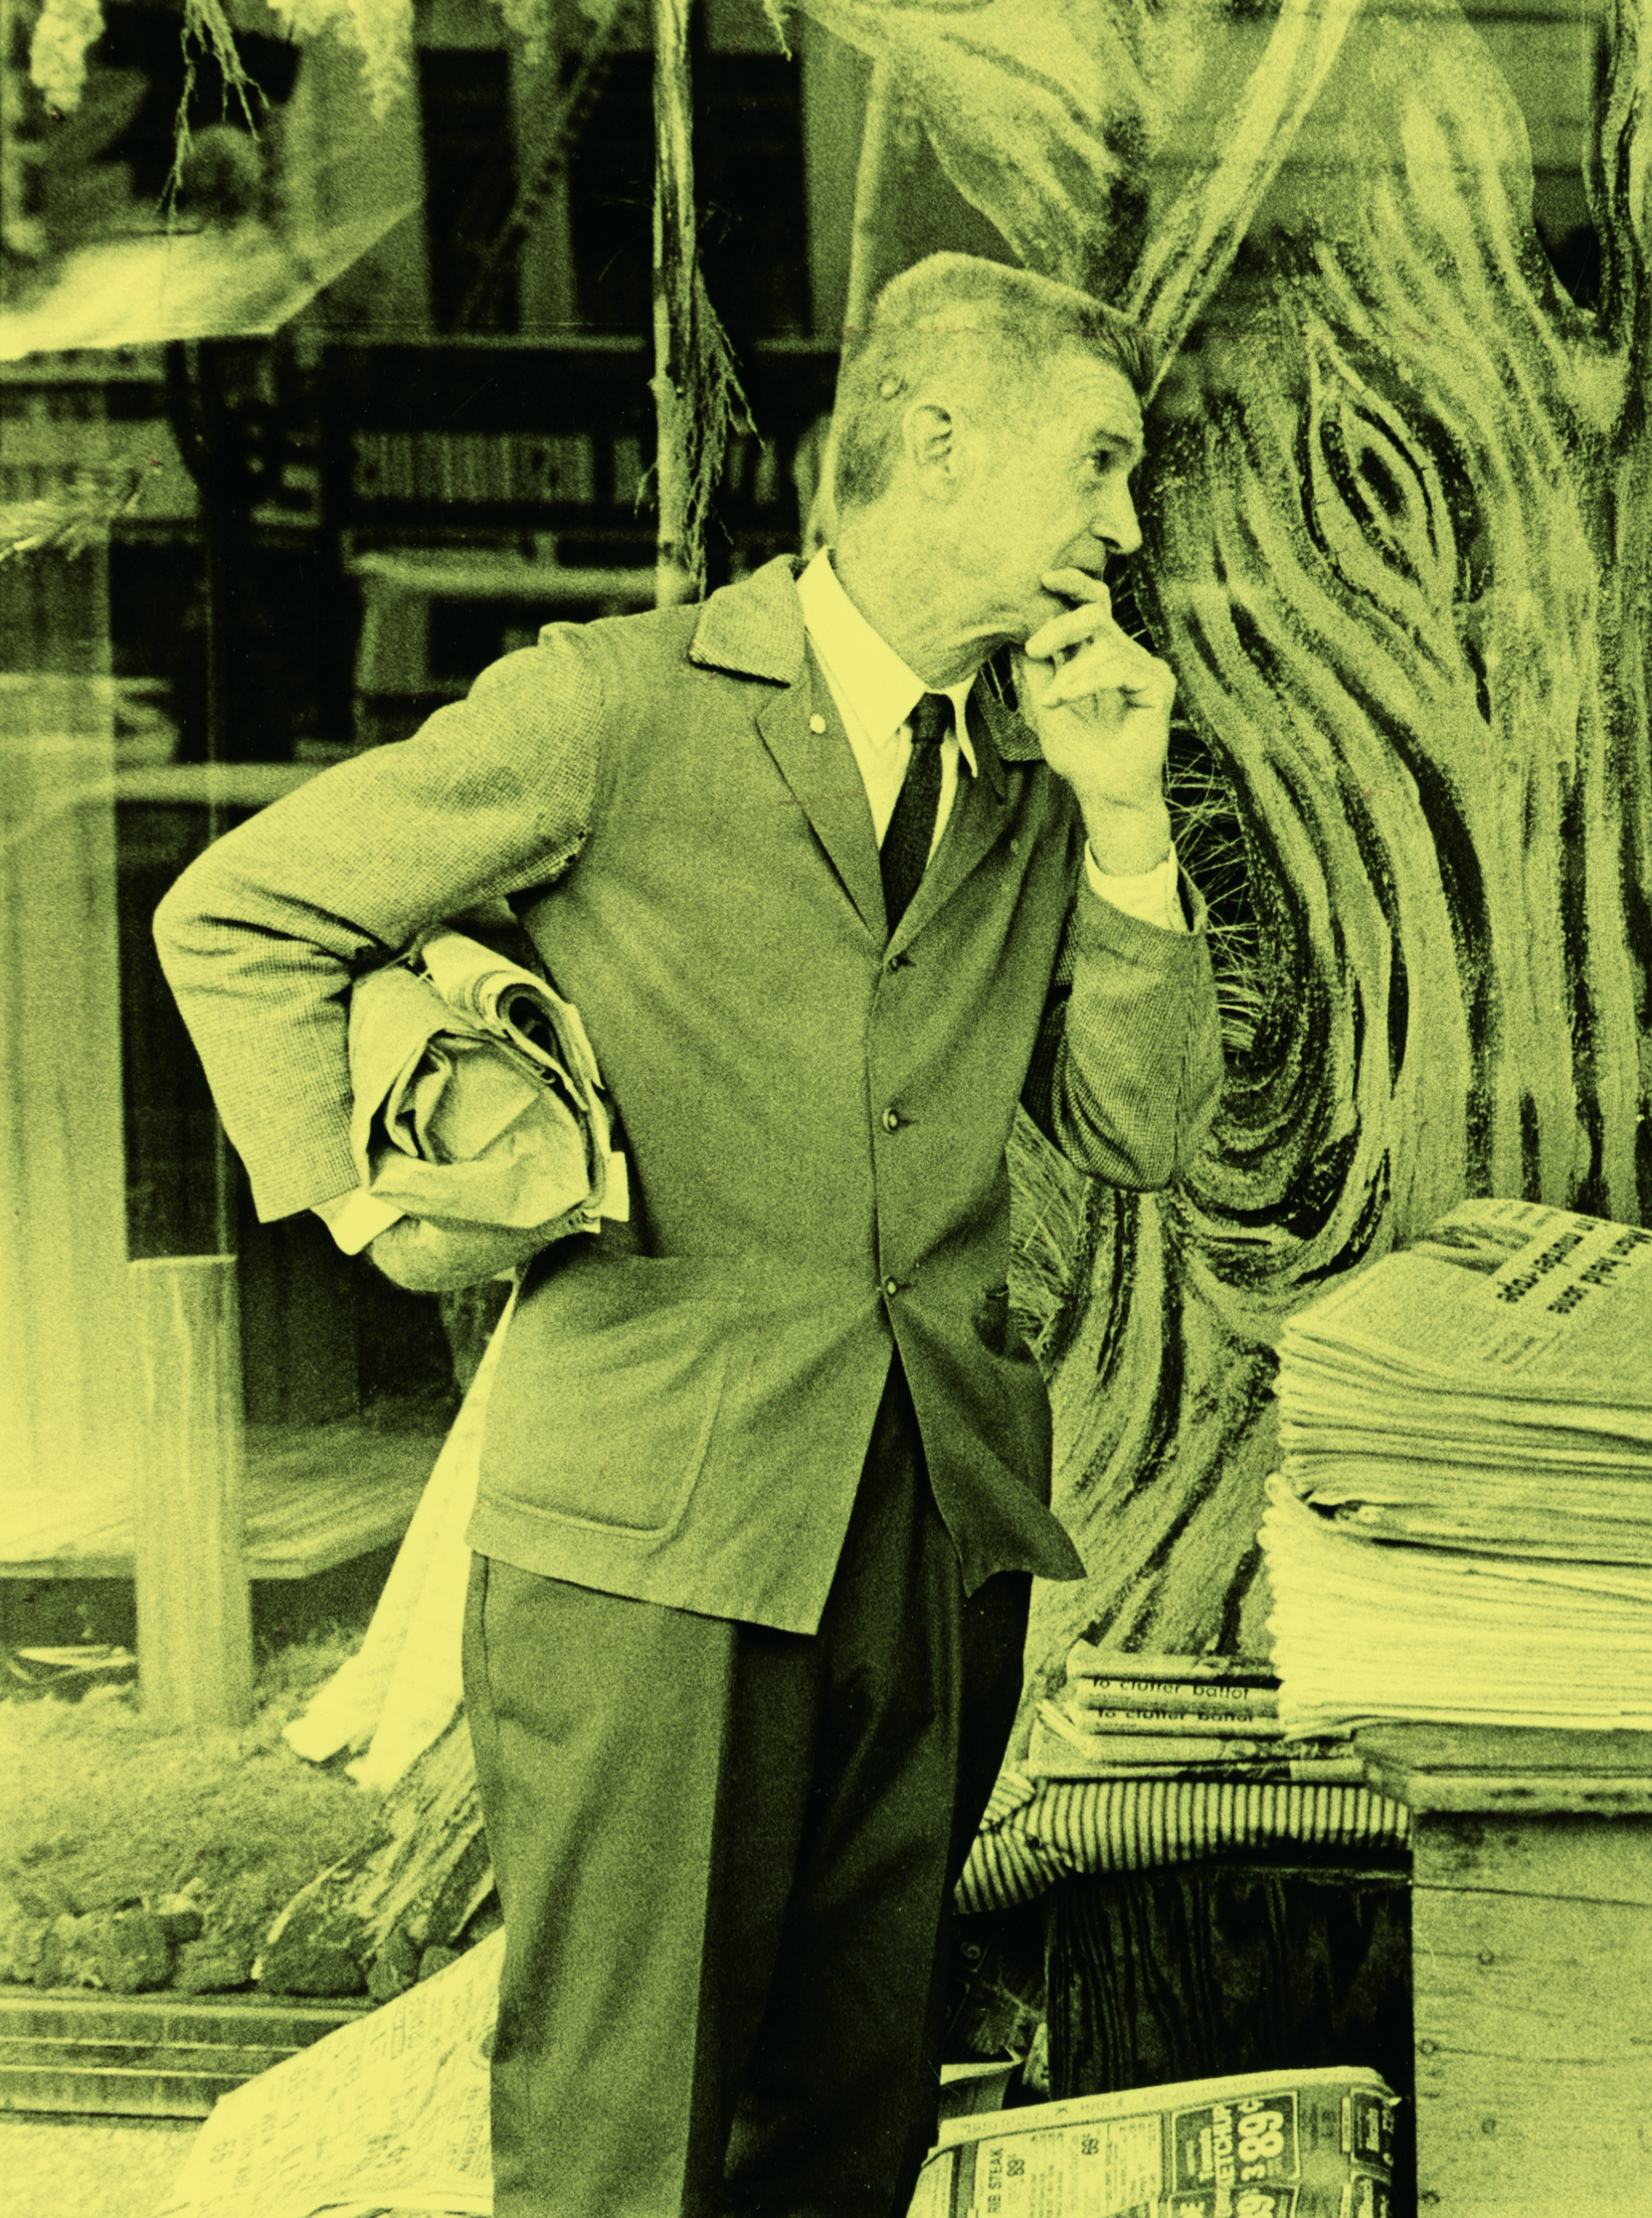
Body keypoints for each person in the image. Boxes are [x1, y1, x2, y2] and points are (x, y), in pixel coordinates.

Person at [156, 253, 1222, 2218]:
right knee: (621, 2134)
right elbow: (236, 915)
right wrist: (381, 1209)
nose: (1124, 523)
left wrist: (1126, 818)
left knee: (850, 2120)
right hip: (650, 1541)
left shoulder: (1034, 766)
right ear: (937, 440)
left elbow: (1140, 1131)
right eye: (1096, 462)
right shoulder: (613, 707)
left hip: (935, 1530)